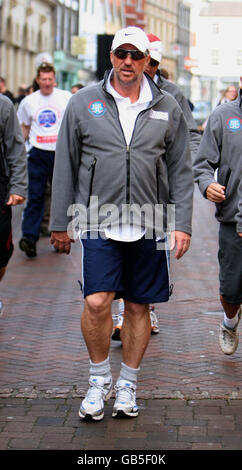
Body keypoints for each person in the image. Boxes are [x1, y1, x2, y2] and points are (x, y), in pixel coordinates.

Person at [50, 26, 193, 421]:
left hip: (151, 218)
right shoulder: (83, 102)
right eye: (120, 54)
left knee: (138, 306)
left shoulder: (167, 105)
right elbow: (66, 163)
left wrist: (182, 223)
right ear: (111, 58)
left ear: (147, 61)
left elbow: (181, 169)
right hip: (97, 214)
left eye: (135, 55)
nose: (127, 62)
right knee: (97, 302)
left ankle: (128, 383)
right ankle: (99, 380)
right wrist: (59, 222)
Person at [112, 33, 201, 341]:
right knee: (120, 247)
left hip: (158, 194)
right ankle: (125, 311)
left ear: (153, 62)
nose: (145, 69)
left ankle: (144, 308)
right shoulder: (115, 90)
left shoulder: (172, 95)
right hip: (121, 193)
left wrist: (180, 163)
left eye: (150, 63)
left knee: (147, 259)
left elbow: (191, 134)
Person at [193, 86, 242, 356]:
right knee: (231, 290)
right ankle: (230, 320)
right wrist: (207, 184)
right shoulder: (223, 116)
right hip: (233, 218)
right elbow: (202, 165)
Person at [17, 62, 71, 257]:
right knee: (35, 196)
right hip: (38, 153)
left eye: (50, 79)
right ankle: (29, 238)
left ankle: (61, 237)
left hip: (60, 153)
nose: (47, 83)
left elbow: (73, 124)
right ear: (38, 80)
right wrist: (19, 151)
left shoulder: (65, 98)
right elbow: (23, 127)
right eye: (44, 79)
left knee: (61, 197)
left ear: (54, 80)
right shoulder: (29, 102)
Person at [0, 95, 27, 313]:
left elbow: (16, 149)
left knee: (1, 254)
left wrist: (18, 186)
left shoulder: (3, 105)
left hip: (0, 190)